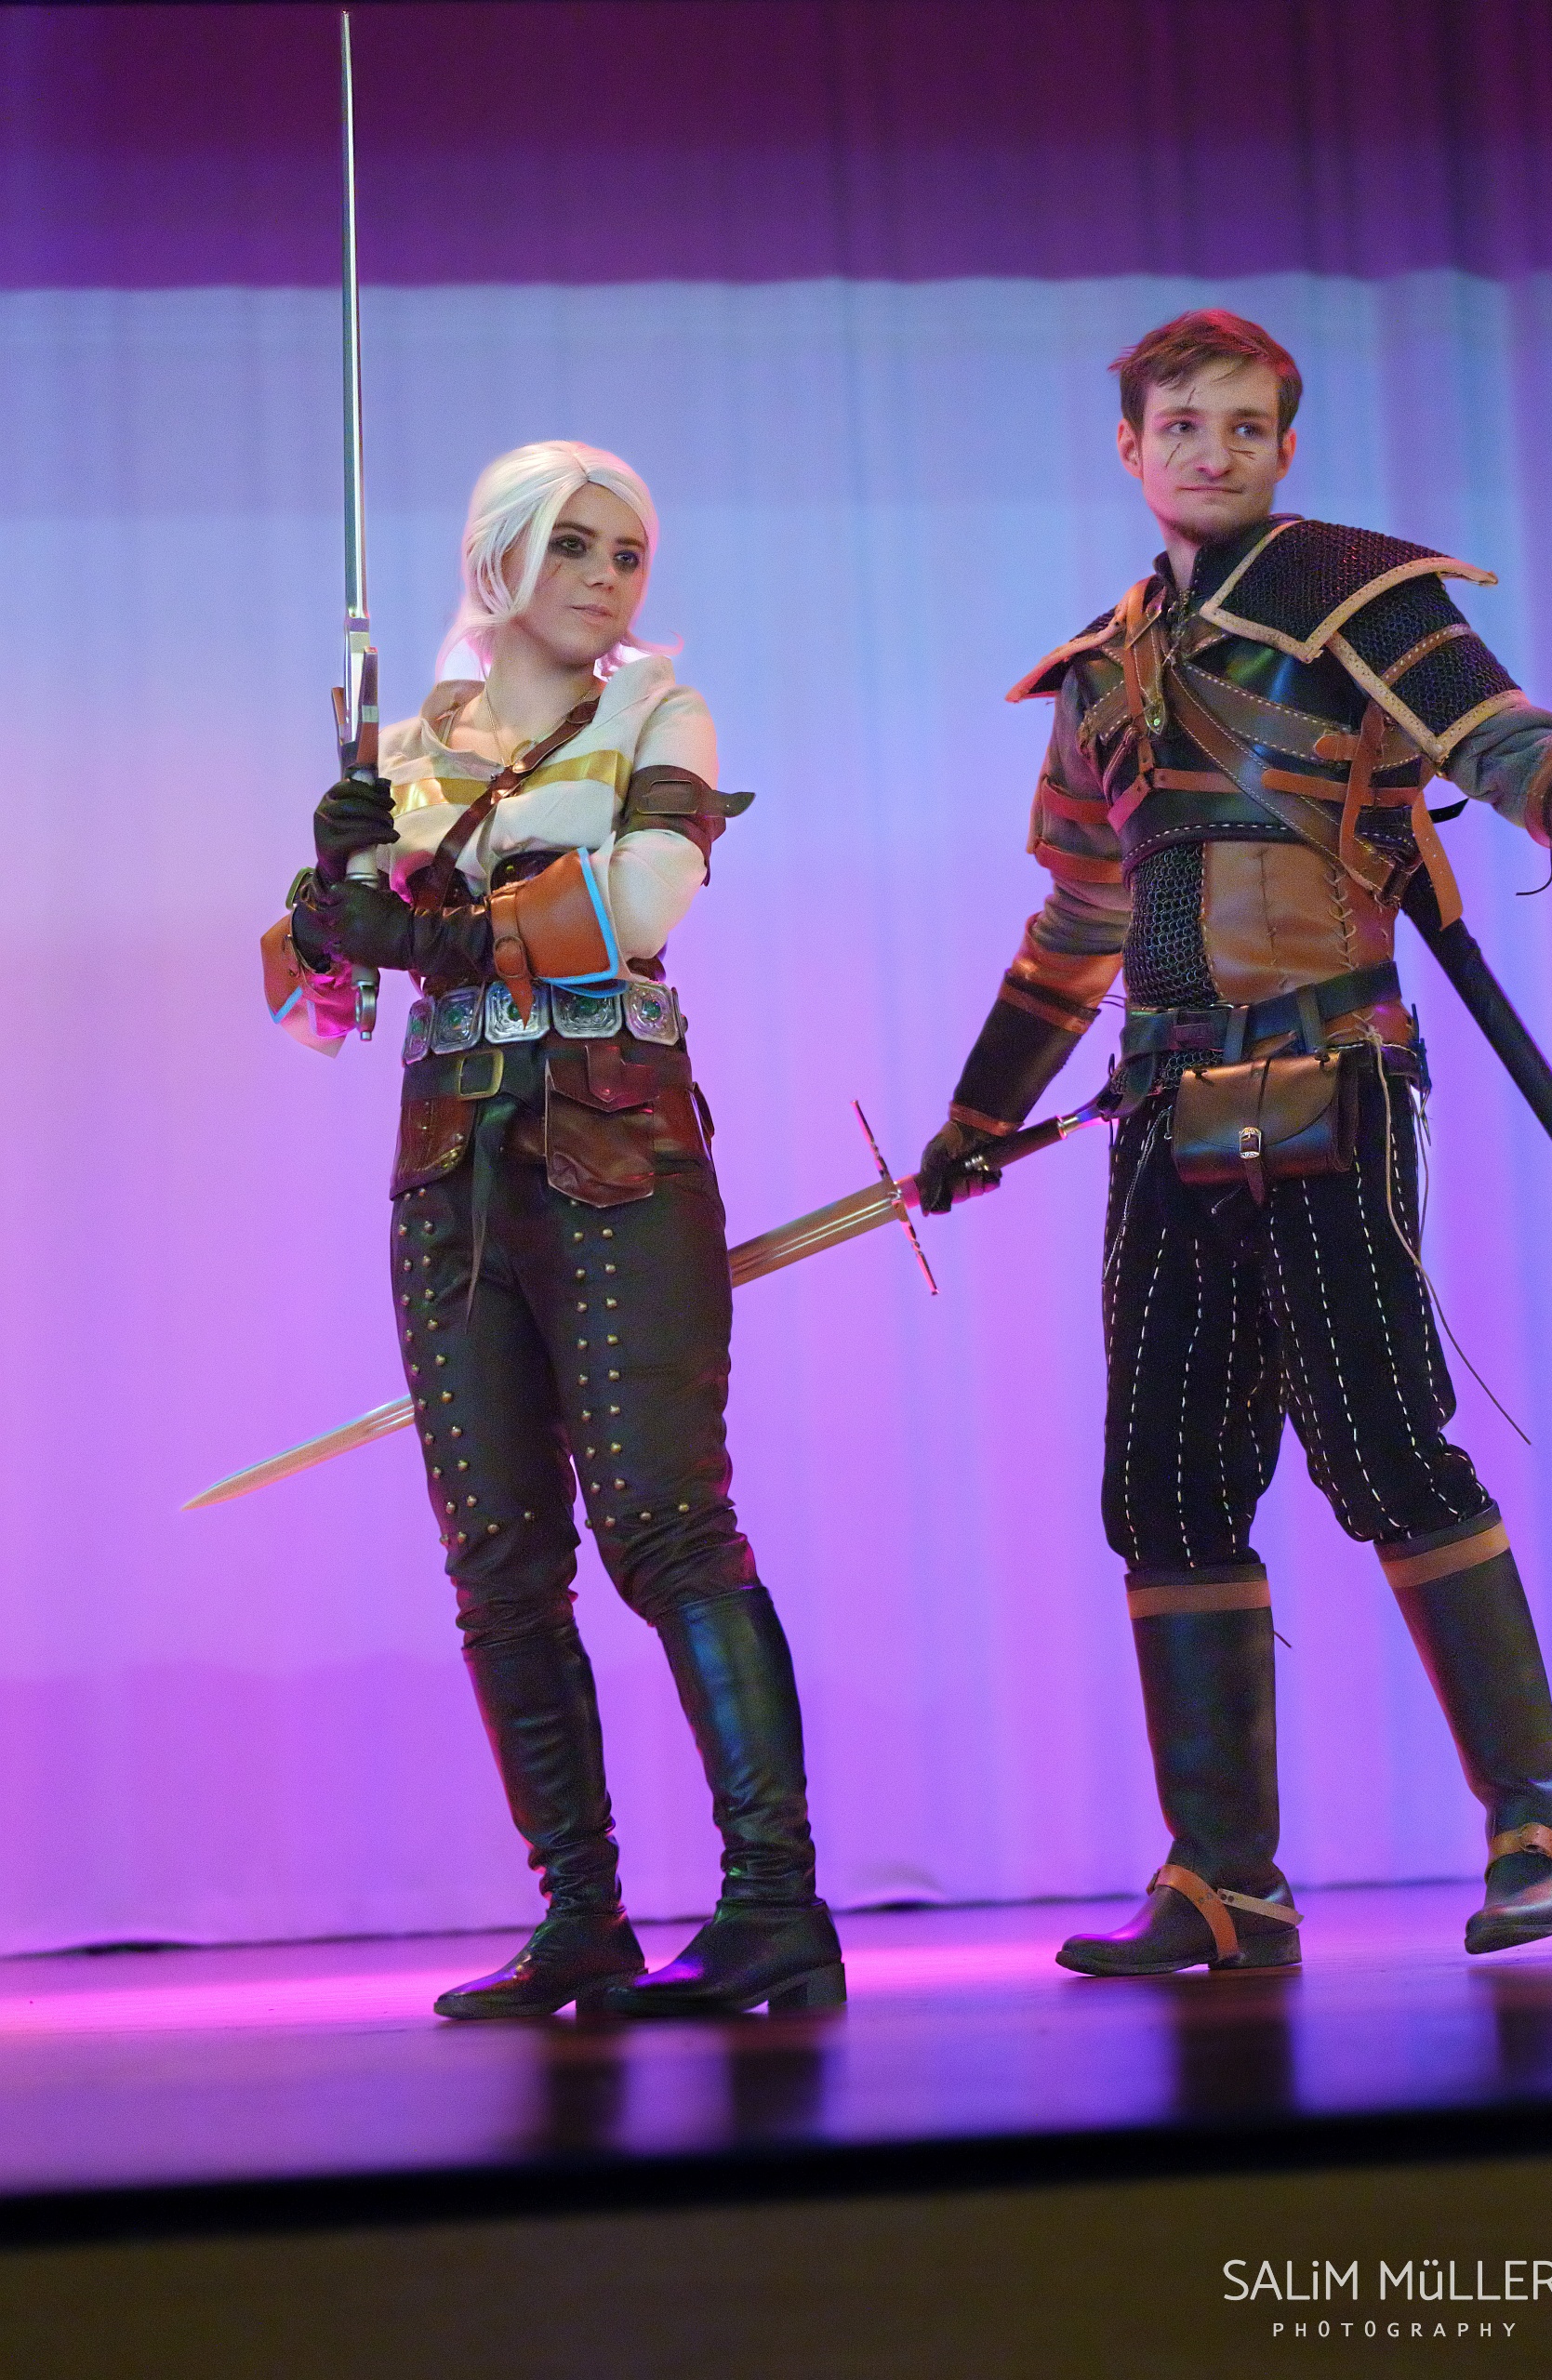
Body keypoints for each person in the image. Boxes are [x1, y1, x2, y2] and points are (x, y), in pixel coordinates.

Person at [918, 311, 1552, 1977]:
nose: (1209, 452)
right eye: (1180, 425)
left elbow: (1507, 749)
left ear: (1287, 446)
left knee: (1385, 1447)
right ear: (1129, 448)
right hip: (1162, 1109)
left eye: (1242, 427)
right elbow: (1081, 919)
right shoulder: (1099, 672)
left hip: (1327, 1085)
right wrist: (981, 1112)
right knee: (1161, 1484)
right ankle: (1223, 1881)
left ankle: (1545, 1824)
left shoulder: (1359, 593)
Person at [261, 439, 843, 2017]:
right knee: (500, 1567)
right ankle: (581, 1913)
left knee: (666, 1529)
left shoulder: (659, 712)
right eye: (574, 546)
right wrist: (328, 892)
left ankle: (775, 1906)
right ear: (500, 557)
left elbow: (639, 907)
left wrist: (427, 929)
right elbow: (322, 1013)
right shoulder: (405, 751)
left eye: (627, 551)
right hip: (449, 1175)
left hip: (617, 1156)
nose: (605, 577)